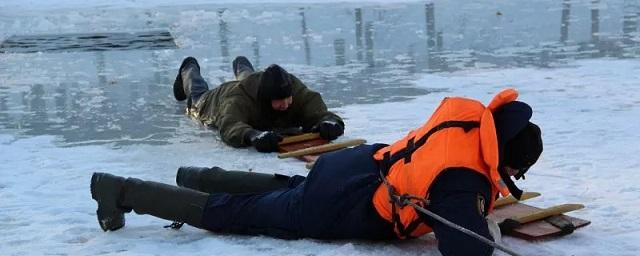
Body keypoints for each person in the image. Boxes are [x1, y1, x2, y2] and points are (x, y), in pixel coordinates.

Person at [91, 89, 543, 256]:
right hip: (345, 205)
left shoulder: (468, 124)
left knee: (288, 190)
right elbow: (468, 250)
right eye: (511, 172)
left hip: (358, 166)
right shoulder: (465, 179)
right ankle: (122, 190)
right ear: (505, 156)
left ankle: (199, 175)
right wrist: (485, 225)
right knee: (238, 213)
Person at [173, 56, 344, 152]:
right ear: (266, 98)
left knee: (249, 78)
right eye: (279, 100)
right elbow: (229, 125)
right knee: (197, 94)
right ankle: (189, 67)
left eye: (288, 98)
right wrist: (252, 135)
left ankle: (241, 63)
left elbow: (314, 107)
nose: (286, 104)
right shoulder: (238, 99)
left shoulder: (291, 87)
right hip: (214, 100)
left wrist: (329, 121)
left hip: (251, 84)